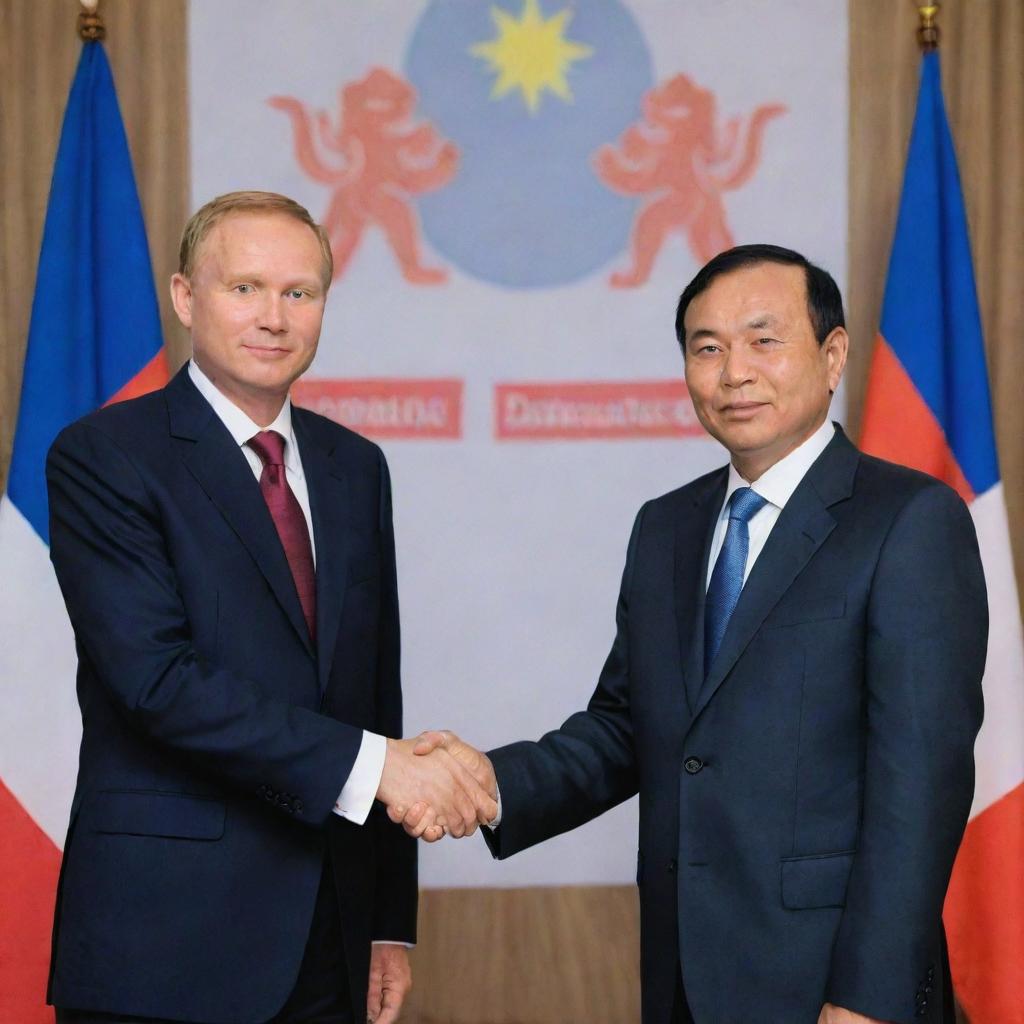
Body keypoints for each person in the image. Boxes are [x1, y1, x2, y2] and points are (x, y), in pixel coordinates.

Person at [407, 245, 988, 1024]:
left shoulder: (909, 522)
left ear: (833, 354)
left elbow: (920, 785)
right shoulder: (667, 528)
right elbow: (627, 728)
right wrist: (490, 785)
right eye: (706, 348)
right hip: (685, 977)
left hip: (834, 988)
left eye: (763, 340)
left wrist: (868, 997)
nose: (734, 371)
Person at [45, 191, 496, 1024]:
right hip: (165, 943)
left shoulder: (354, 466)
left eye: (300, 292)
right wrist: (379, 769)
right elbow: (158, 683)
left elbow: (373, 696)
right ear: (186, 298)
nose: (274, 317)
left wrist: (389, 922)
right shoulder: (104, 457)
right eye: (244, 287)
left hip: (329, 933)